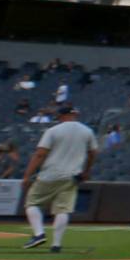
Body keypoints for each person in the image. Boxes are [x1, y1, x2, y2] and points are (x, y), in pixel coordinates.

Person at [21, 103, 97, 252]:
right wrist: (86, 171)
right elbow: (93, 153)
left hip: (50, 174)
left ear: (62, 116)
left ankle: (39, 234)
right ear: (75, 115)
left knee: (32, 203)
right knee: (62, 210)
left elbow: (40, 154)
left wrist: (27, 176)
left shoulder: (53, 130)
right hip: (72, 176)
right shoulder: (87, 131)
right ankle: (56, 244)